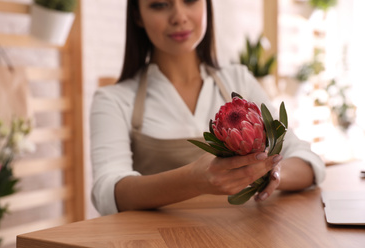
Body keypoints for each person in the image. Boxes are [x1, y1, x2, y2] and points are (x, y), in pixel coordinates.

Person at [90, 0, 325, 216]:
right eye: (159, 4)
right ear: (138, 16)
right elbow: (108, 193)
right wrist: (193, 180)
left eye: (190, 0)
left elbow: (307, 160)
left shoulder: (239, 81)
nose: (179, 16)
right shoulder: (113, 100)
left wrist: (269, 174)